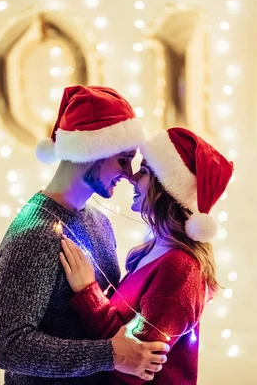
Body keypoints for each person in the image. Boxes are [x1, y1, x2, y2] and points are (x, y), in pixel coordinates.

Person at [0, 85, 170, 385]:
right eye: (123, 159)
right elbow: (8, 346)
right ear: (92, 151)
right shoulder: (34, 235)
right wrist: (110, 355)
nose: (129, 174)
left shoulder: (100, 222)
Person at [59, 127, 234, 384]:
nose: (132, 177)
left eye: (145, 172)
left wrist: (88, 294)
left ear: (166, 188)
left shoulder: (180, 269)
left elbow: (133, 366)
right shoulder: (151, 251)